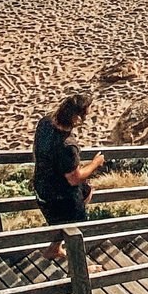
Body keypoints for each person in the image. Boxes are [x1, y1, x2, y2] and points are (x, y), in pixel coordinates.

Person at [32, 91, 106, 261]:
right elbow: (74, 177)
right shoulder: (67, 146)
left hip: (42, 187)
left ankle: (54, 249)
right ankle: (80, 269)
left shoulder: (45, 123)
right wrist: (96, 163)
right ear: (77, 118)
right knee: (75, 231)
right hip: (61, 197)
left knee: (62, 224)